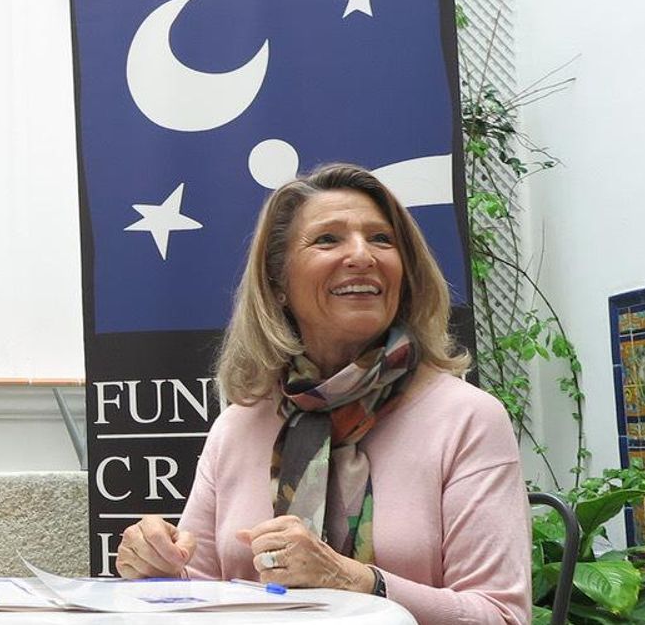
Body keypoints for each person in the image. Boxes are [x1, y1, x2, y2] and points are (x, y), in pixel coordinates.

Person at [115, 163, 530, 625]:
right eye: (328, 239)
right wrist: (155, 568)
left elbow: (502, 616)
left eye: (381, 239)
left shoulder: (467, 418)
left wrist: (356, 582)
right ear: (278, 285)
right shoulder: (239, 425)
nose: (362, 255)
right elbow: (199, 596)